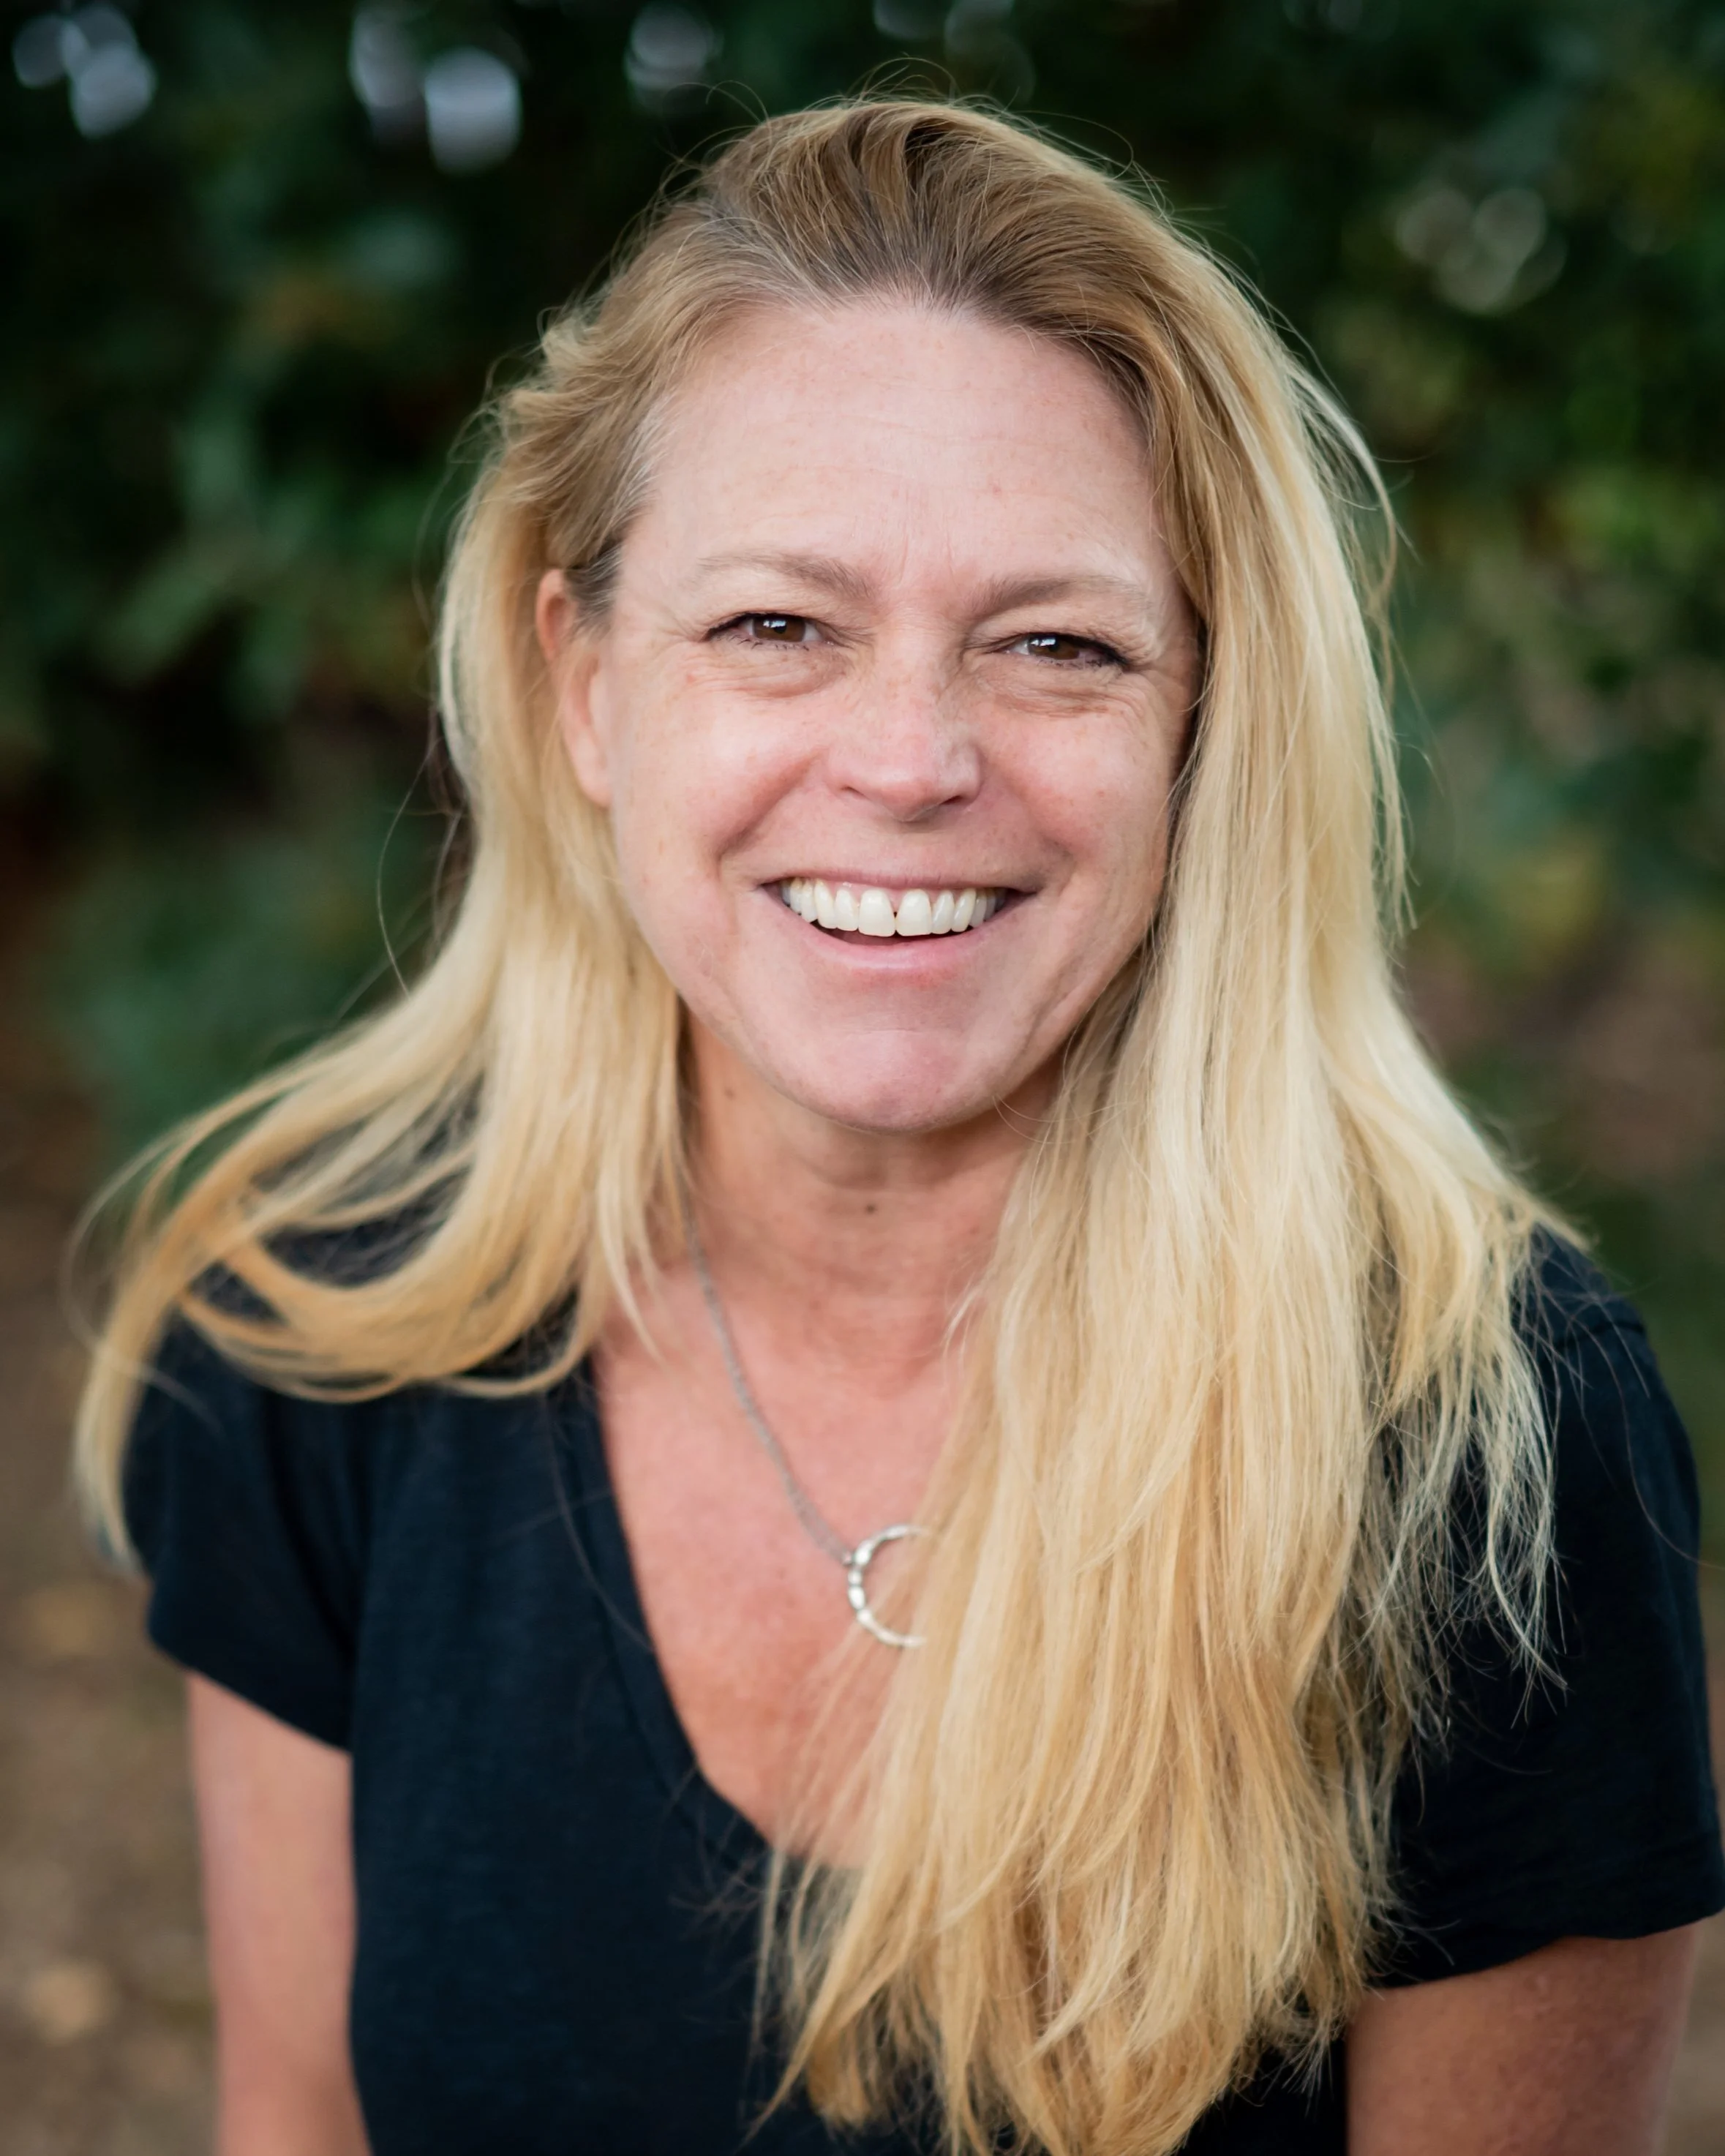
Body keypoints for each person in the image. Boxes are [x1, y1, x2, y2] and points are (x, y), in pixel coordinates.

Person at [76, 100, 1720, 2156]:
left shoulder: (1476, 1437)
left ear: (1202, 730)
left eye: (1057, 645)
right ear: (583, 685)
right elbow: (300, 2118)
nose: (913, 758)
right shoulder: (323, 1326)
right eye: (779, 625)